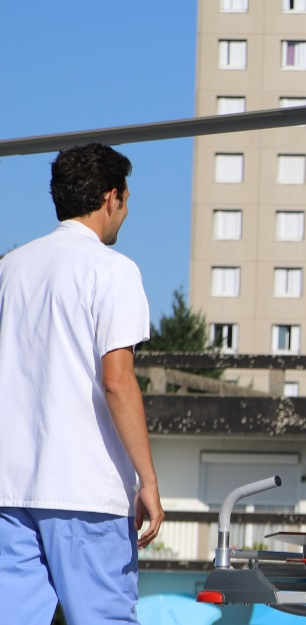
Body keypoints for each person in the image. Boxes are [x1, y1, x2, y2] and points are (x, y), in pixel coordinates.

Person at [0, 143, 163, 622]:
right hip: (85, 491)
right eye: (127, 200)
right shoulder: (113, 270)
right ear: (111, 197)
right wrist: (147, 480)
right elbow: (117, 381)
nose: (125, 212)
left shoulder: (9, 269)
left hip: (9, 489)